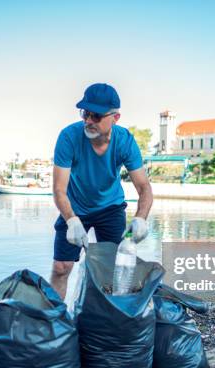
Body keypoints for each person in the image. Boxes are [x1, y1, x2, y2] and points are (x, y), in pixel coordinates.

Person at [51, 83, 153, 299]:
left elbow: (144, 187)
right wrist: (71, 221)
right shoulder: (69, 137)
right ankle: (55, 321)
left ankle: (110, 318)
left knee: (115, 268)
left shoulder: (125, 141)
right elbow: (59, 189)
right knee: (61, 267)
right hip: (74, 207)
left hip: (110, 208)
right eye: (85, 113)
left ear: (115, 118)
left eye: (96, 116)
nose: (88, 120)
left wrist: (141, 219)